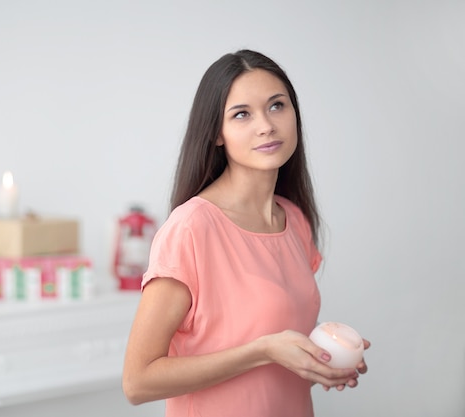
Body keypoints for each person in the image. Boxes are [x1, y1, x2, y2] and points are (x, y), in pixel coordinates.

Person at [122, 49, 370, 417]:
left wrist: (319, 357)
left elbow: (268, 325)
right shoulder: (191, 229)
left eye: (277, 106)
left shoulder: (294, 220)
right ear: (217, 133)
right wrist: (261, 352)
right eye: (242, 114)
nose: (266, 125)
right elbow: (138, 382)